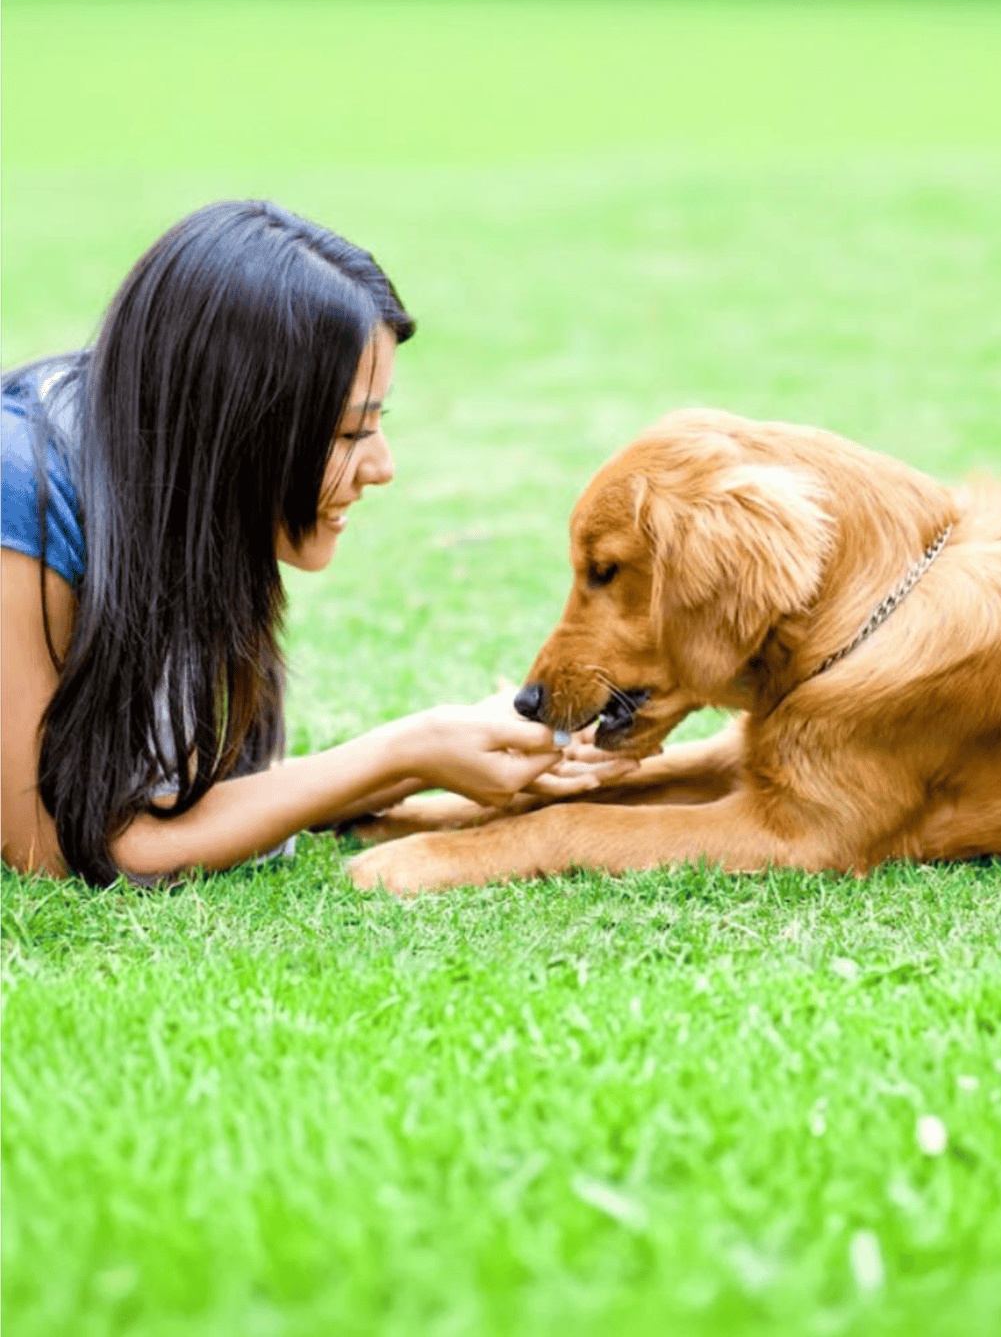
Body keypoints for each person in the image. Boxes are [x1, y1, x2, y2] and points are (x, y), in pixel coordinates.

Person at [1, 199, 628, 886]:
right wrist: (405, 750)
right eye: (349, 433)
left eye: (376, 423)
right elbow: (50, 853)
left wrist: (447, 753)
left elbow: (181, 802)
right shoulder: (22, 493)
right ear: (237, 429)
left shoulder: (162, 490)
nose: (383, 466)